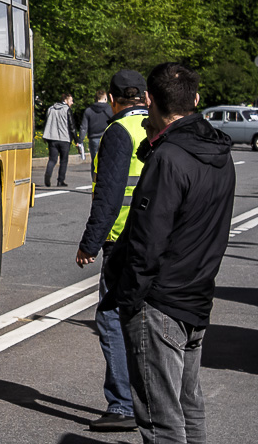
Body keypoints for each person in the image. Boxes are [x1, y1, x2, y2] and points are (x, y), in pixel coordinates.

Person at [101, 63, 236, 444]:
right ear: (195, 99)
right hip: (196, 297)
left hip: (159, 303)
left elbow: (146, 242)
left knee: (161, 423)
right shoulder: (219, 154)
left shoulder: (167, 159)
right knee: (188, 407)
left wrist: (126, 299)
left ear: (149, 101)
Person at [74, 69, 149, 433]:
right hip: (157, 238)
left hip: (121, 239)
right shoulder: (158, 126)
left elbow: (109, 194)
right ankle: (153, 401)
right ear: (146, 97)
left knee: (110, 318)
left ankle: (122, 405)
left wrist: (90, 243)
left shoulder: (117, 132)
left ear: (114, 101)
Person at [41, 93, 74, 187]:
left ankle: (48, 175)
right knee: (63, 160)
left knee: (52, 159)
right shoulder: (67, 110)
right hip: (64, 139)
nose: (72, 103)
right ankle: (60, 181)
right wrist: (76, 139)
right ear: (66, 100)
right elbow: (72, 126)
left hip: (52, 138)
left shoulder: (51, 109)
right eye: (71, 100)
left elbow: (46, 122)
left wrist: (45, 135)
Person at [80, 88, 113, 172]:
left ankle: (95, 180)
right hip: (108, 137)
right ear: (105, 98)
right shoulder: (110, 109)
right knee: (108, 160)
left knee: (95, 161)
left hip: (94, 139)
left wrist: (80, 140)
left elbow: (84, 127)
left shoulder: (89, 110)